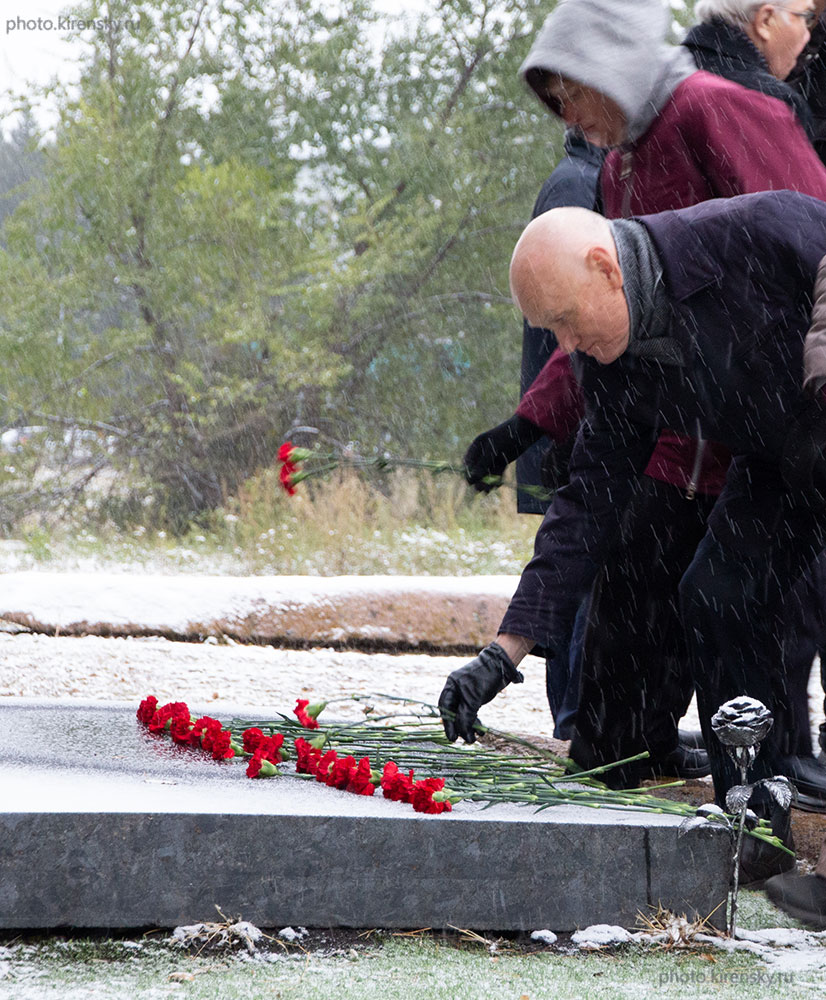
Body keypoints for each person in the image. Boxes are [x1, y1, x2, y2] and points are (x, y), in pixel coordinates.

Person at [457, 0, 826, 800]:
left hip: (796, 406)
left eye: (574, 95)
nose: (571, 119)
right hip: (727, 438)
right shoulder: (617, 182)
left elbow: (810, 235)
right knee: (695, 606)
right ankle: (742, 790)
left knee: (759, 598)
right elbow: (601, 335)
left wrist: (819, 380)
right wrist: (501, 654)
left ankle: (779, 770)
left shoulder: (719, 127)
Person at [440, 191, 826, 871]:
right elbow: (585, 506)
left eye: (565, 320)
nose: (565, 345)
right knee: (715, 593)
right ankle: (756, 831)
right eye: (550, 331)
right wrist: (502, 654)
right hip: (782, 459)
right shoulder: (612, 366)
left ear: (606, 267)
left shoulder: (749, 233)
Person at [463, 127, 604, 741]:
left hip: (588, 425)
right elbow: (573, 344)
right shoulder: (580, 185)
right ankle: (581, 723)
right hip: (580, 428)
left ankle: (607, 726)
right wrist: (529, 428)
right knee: (585, 569)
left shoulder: (610, 178)